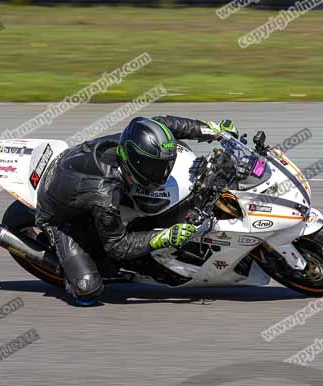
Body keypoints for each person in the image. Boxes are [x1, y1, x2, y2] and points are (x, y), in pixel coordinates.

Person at [35, 115, 238, 305]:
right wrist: (164, 237)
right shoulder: (104, 195)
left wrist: (212, 130)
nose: (163, 173)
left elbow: (165, 125)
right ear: (137, 163)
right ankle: (68, 270)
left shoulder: (139, 137)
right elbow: (117, 245)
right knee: (88, 290)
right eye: (154, 168)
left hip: (75, 172)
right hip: (58, 214)